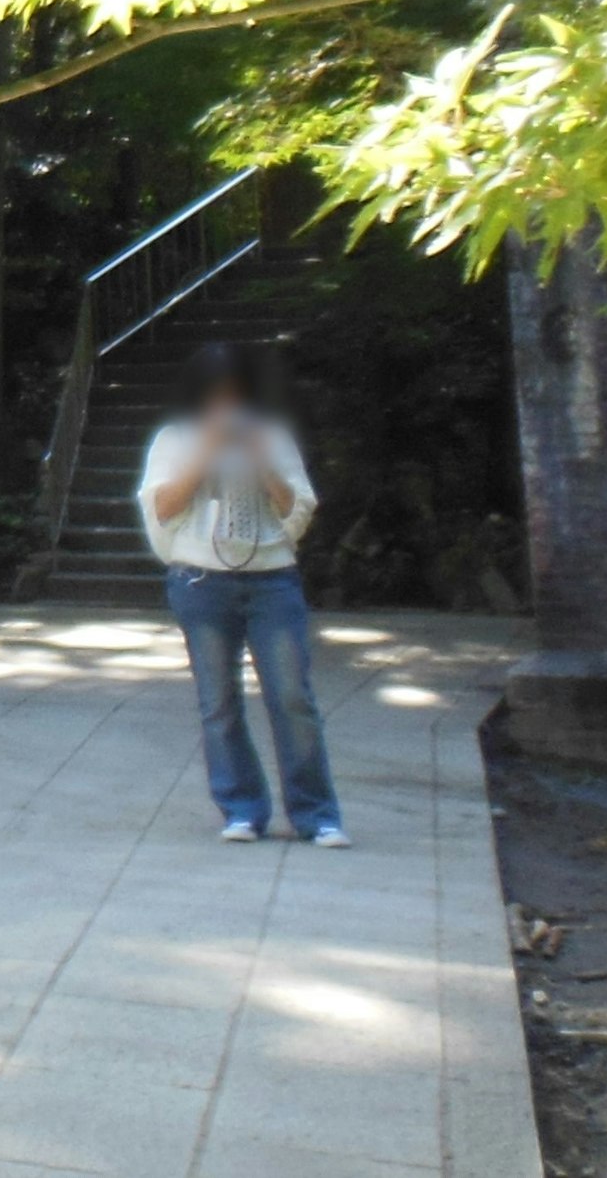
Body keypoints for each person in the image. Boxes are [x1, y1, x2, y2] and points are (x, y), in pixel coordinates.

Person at [142, 343, 346, 846]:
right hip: (201, 582)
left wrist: (259, 457)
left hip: (272, 580)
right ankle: (241, 809)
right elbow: (163, 506)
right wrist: (206, 451)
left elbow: (296, 507)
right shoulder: (175, 439)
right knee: (219, 702)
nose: (227, 407)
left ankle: (317, 815)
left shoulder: (272, 437)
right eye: (217, 397)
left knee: (292, 696)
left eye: (236, 396)